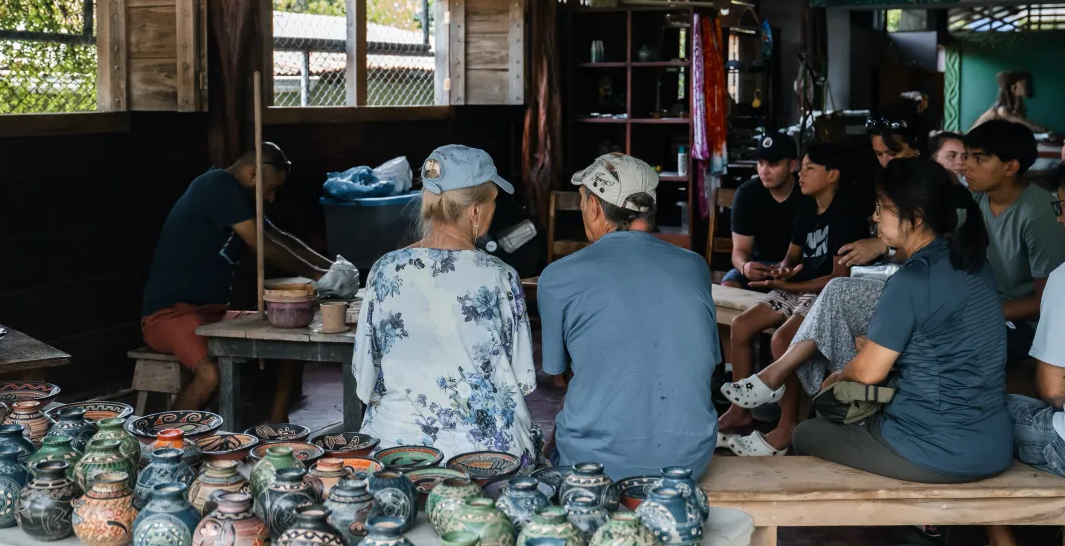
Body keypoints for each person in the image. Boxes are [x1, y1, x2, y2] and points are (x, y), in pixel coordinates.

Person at [792, 158, 1013, 484]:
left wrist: (839, 375)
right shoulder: (974, 263)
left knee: (807, 432)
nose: (875, 216)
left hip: (936, 449)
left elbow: (867, 373)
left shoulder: (911, 279)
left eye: (883, 207)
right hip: (994, 442)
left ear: (916, 217)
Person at [538, 153, 719, 480]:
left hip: (595, 463)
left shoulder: (557, 277)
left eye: (582, 203)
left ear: (594, 207)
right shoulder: (694, 266)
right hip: (688, 460)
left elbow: (556, 373)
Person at [351, 145, 537, 462]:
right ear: (475, 211)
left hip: (396, 448)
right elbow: (522, 379)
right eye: (493, 201)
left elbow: (364, 376)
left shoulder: (385, 270)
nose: (494, 210)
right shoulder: (500, 277)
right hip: (484, 452)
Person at [141, 143, 335, 411]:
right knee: (210, 376)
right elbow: (264, 246)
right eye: (272, 189)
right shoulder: (217, 186)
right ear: (253, 173)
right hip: (169, 316)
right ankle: (168, 445)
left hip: (213, 314)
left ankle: (277, 424)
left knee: (292, 331)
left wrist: (333, 269)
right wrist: (317, 276)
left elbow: (279, 237)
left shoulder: (240, 199)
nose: (271, 199)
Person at [720, 142, 869, 456]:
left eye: (809, 168)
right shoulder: (806, 206)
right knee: (742, 325)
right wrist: (781, 272)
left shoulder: (847, 213)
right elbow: (793, 255)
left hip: (824, 293)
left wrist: (791, 286)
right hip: (800, 287)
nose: (801, 174)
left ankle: (788, 427)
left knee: (782, 340)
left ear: (833, 175)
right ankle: (740, 412)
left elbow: (837, 280)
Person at [991, 165, 1065, 546]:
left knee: (980, 416)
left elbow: (1052, 390)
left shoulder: (1063, 277)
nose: (1061, 217)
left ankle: (1002, 539)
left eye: (1062, 206)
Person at [964, 120, 1065, 364]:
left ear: (1010, 167)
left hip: (1024, 325)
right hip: (984, 310)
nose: (965, 166)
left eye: (978, 159)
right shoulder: (973, 199)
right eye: (966, 156)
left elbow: (1047, 302)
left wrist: (982, 315)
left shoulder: (1039, 213)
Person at [836, 108, 927, 268]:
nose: (886, 162)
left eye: (892, 153)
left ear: (916, 147)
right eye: (879, 154)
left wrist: (884, 247)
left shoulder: (934, 181)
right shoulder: (884, 179)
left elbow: (937, 246)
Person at [722, 132, 802, 289]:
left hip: (797, 267)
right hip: (760, 267)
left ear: (792, 165)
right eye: (760, 163)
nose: (764, 171)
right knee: (729, 285)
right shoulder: (747, 193)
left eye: (773, 165)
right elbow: (740, 250)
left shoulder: (806, 191)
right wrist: (745, 267)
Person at [971, 70, 1047, 133]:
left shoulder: (1015, 107)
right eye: (1024, 84)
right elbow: (1024, 124)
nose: (1027, 87)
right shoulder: (1003, 110)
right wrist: (1043, 130)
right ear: (1013, 87)